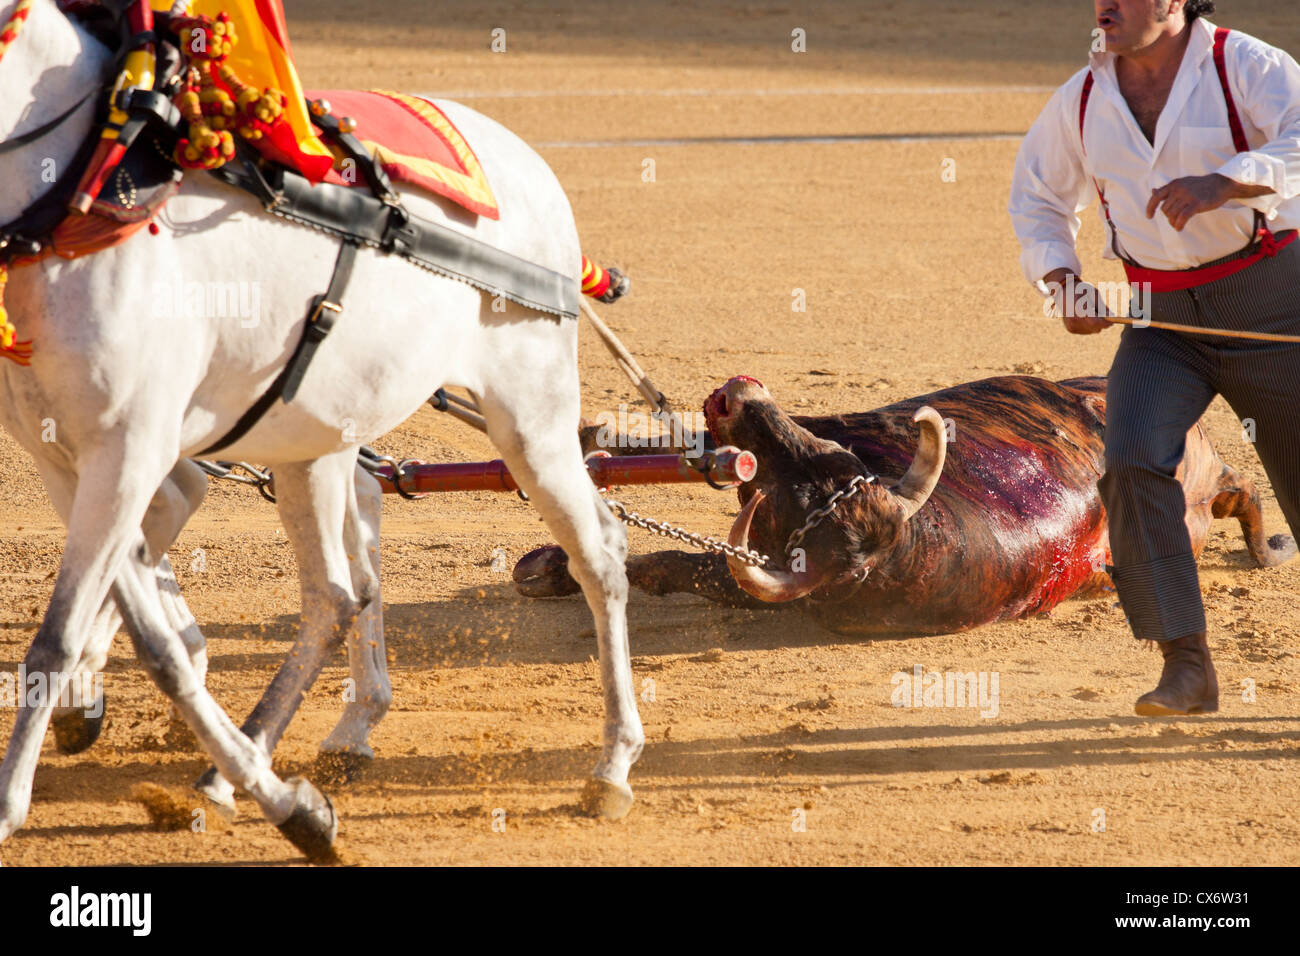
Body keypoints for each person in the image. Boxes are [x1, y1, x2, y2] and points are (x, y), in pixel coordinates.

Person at [1008, 0, 1300, 715]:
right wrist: (1063, 281)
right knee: (1132, 460)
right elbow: (1038, 196)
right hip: (1158, 318)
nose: (1105, 5)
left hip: (1274, 301)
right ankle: (1186, 666)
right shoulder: (1081, 98)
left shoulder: (1244, 64)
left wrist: (1227, 181)